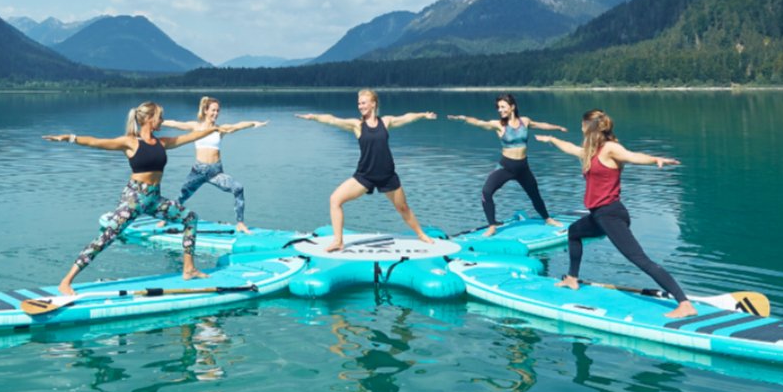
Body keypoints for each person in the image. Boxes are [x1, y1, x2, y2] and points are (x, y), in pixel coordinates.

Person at [536, 109, 697, 318]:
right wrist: (551, 139)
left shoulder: (609, 148)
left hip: (610, 215)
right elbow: (571, 148)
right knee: (574, 232)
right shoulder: (590, 150)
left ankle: (684, 303)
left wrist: (655, 159)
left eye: (582, 124)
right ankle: (572, 278)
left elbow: (631, 156)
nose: (580, 128)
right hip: (598, 216)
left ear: (589, 126)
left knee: (639, 259)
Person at [43, 101, 217, 295]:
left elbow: (190, 136)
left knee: (190, 218)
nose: (162, 120)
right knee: (106, 237)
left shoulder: (162, 143)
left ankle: (188, 268)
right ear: (150, 119)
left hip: (154, 198)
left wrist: (212, 130)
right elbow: (97, 142)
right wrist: (70, 138)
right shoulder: (130, 142)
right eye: (160, 116)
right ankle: (66, 281)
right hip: (134, 198)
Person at [295, 89, 436, 252]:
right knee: (335, 200)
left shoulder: (386, 122)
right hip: (365, 175)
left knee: (403, 207)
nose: (360, 106)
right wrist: (314, 117)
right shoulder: (357, 125)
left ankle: (421, 234)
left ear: (373, 104)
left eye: (363, 103)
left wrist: (422, 115)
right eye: (358, 103)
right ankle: (338, 241)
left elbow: (406, 117)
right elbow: (333, 120)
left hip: (387, 175)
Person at [447, 93, 568, 237]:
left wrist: (557, 128)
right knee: (486, 192)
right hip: (506, 167)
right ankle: (492, 226)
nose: (500, 110)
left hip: (523, 168)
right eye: (498, 107)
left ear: (512, 107)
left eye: (503, 106)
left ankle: (547, 219)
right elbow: (480, 123)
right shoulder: (498, 125)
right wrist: (463, 118)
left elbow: (541, 125)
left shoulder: (525, 121)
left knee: (535, 194)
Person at [159, 96, 267, 234]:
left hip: (216, 172)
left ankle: (240, 223)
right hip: (198, 171)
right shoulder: (196, 127)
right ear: (205, 110)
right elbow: (175, 123)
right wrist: (158, 122)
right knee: (181, 197)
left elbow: (237, 125)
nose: (215, 113)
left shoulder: (220, 129)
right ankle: (166, 218)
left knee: (238, 188)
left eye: (218, 111)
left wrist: (253, 123)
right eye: (213, 110)